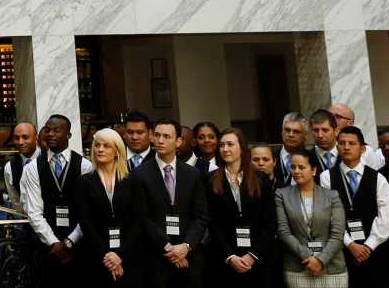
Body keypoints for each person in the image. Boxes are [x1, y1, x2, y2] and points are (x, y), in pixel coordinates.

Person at [132, 119, 209, 288]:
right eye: (157, 135)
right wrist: (169, 248)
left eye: (167, 136)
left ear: (179, 141)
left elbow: (201, 217)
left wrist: (186, 247)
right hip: (157, 257)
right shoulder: (139, 174)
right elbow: (142, 217)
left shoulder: (193, 174)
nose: (160, 140)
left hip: (190, 257)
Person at [317, 126, 389, 287]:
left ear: (363, 148)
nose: (346, 147)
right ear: (337, 146)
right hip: (342, 252)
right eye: (342, 143)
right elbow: (328, 215)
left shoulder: (378, 178)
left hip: (376, 252)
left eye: (351, 143)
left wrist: (368, 246)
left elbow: (386, 217)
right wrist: (351, 244)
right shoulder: (326, 178)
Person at [19, 114, 91, 285]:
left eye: (56, 130)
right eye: (47, 130)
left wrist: (69, 242)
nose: (50, 134)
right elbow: (34, 211)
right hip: (47, 248)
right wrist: (54, 243)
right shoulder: (32, 168)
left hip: (79, 246)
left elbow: (88, 212)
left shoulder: (85, 166)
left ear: (68, 135)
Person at [205, 128, 276, 288]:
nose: (225, 149)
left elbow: (270, 222)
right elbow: (212, 223)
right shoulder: (210, 180)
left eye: (230, 144)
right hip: (226, 259)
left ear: (242, 148)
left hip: (258, 258)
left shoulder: (260, 179)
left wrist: (253, 255)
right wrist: (230, 256)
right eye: (222, 145)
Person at [75, 129, 143, 287]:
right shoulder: (84, 182)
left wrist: (120, 255)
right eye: (97, 145)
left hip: (130, 255)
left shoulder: (132, 180)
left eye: (106, 146)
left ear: (117, 151)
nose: (100, 149)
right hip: (97, 256)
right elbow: (86, 223)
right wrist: (108, 257)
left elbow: (139, 220)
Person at [275, 151, 348, 288]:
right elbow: (283, 231)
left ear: (314, 170)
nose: (296, 171)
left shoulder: (332, 196)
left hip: (332, 267)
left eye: (301, 167)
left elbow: (338, 233)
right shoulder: (282, 195)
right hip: (298, 266)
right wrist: (309, 258)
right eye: (293, 167)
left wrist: (320, 260)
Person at [330, 103, 387, 170]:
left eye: (337, 117)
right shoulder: (321, 148)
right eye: (329, 116)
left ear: (350, 123)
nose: (331, 120)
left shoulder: (366, 151)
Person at [3, 121, 39, 208]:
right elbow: (15, 200)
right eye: (16, 138)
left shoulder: (48, 160)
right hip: (25, 217)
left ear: (36, 138)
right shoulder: (9, 167)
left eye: (25, 137)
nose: (20, 142)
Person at [276, 112, 309, 187]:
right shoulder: (271, 158)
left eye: (296, 132)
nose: (291, 135)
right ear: (282, 132)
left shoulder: (312, 159)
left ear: (305, 135)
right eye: (287, 130)